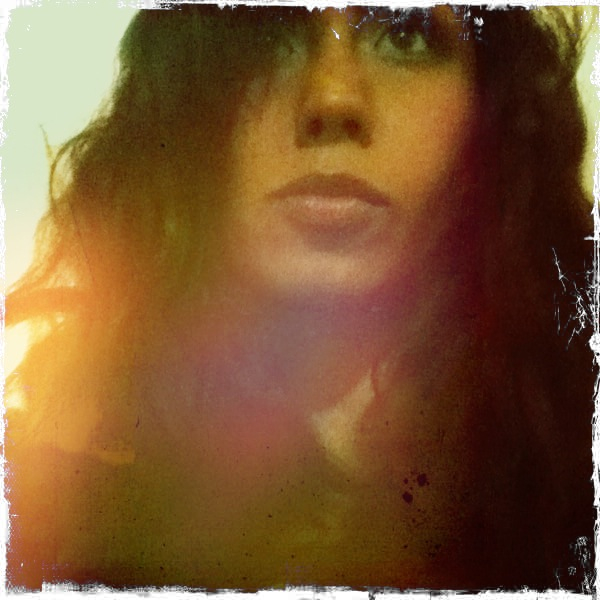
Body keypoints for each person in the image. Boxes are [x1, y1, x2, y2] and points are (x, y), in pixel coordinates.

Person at [5, 4, 595, 591]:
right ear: (181, 95)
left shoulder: (576, 487)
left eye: (406, 34)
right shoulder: (42, 514)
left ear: (489, 107)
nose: (334, 100)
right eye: (270, 31)